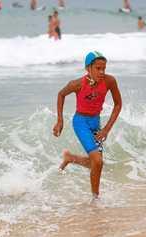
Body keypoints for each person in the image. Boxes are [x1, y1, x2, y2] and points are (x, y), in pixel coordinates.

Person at [53, 51, 122, 200]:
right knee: (98, 161)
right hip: (81, 122)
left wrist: (106, 129)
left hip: (95, 123)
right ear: (88, 68)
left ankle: (70, 158)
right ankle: (95, 199)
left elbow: (118, 104)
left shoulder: (110, 81)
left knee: (96, 164)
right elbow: (61, 94)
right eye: (98, 68)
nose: (102, 72)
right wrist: (60, 120)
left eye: (104, 68)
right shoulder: (77, 84)